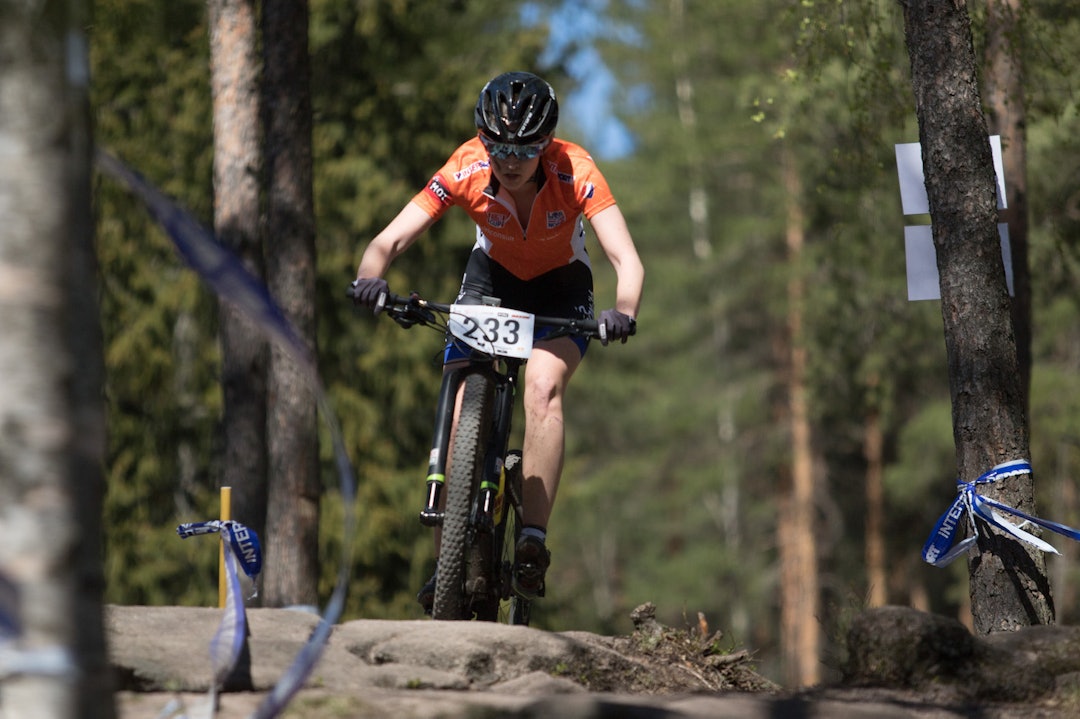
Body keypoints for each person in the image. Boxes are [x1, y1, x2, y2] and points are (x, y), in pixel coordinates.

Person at [351, 71, 644, 612]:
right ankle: (445, 563)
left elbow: (627, 259)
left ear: (545, 144)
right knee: (463, 400)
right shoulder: (465, 165)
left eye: (524, 149)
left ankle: (532, 538)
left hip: (561, 288)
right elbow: (389, 239)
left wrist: (623, 313)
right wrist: (372, 278)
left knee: (542, 387)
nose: (509, 160)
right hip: (491, 280)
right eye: (498, 146)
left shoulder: (575, 168)